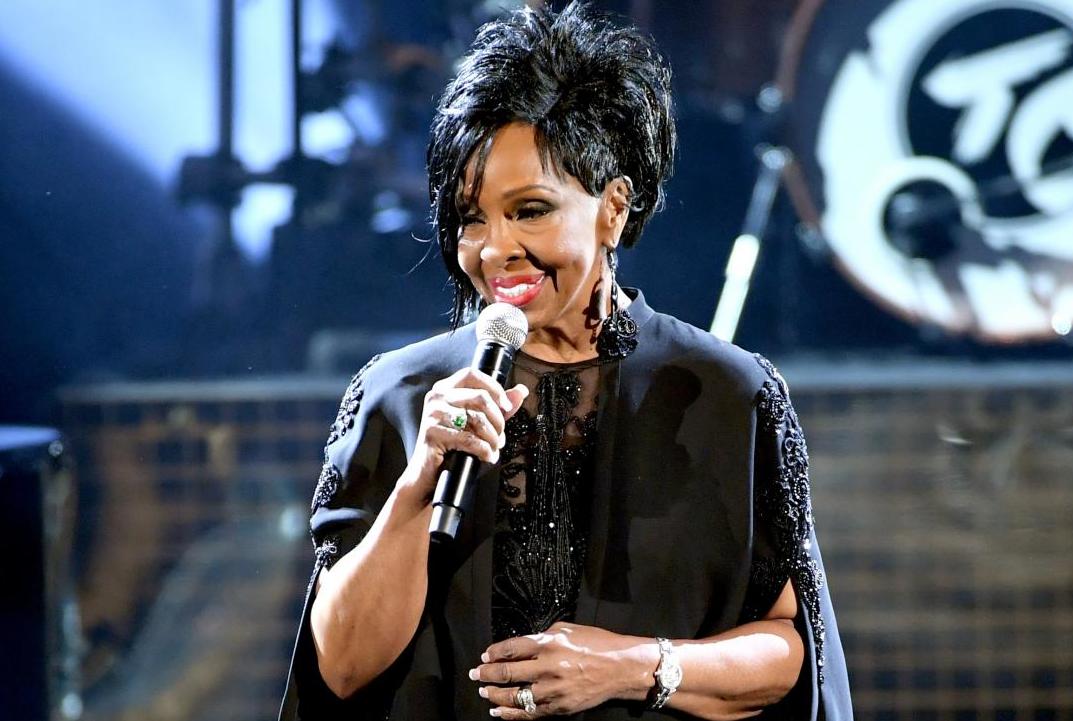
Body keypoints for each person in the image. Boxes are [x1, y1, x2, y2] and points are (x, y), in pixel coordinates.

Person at [278, 3, 852, 719]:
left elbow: (789, 648)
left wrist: (636, 665)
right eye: (470, 217)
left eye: (529, 210)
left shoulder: (726, 394)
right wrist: (418, 481)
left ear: (613, 207)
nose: (494, 249)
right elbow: (339, 668)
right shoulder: (401, 394)